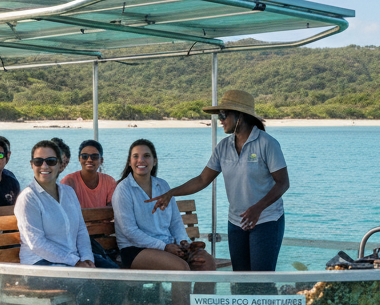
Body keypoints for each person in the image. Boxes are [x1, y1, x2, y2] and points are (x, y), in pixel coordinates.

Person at [148, 90, 289, 272]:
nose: (220, 120)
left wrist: (257, 208)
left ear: (240, 116)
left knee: (261, 281)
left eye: (223, 115)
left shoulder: (267, 143)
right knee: (239, 279)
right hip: (236, 222)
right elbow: (202, 179)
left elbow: (283, 183)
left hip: (267, 221)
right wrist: (170, 193)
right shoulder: (223, 147)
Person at [15, 140, 118, 305]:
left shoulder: (68, 193)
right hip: (39, 267)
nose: (45, 166)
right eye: (39, 161)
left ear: (60, 164)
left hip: (71, 260)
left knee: (116, 277)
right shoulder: (28, 198)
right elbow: (36, 243)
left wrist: (87, 259)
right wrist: (75, 262)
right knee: (87, 285)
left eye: (51, 161)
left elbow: (80, 230)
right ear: (32, 164)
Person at [112, 139, 214, 273]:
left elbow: (175, 222)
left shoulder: (162, 185)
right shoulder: (123, 190)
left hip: (167, 245)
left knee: (207, 262)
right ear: (129, 162)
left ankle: (196, 289)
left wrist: (184, 243)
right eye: (135, 156)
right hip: (135, 249)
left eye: (146, 156)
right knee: (181, 268)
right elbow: (130, 231)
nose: (141, 160)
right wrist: (164, 247)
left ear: (154, 161)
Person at [61, 139, 117, 209]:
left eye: (94, 157)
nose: (89, 160)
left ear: (101, 160)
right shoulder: (68, 182)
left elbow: (113, 210)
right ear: (79, 159)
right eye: (85, 156)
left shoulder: (109, 182)